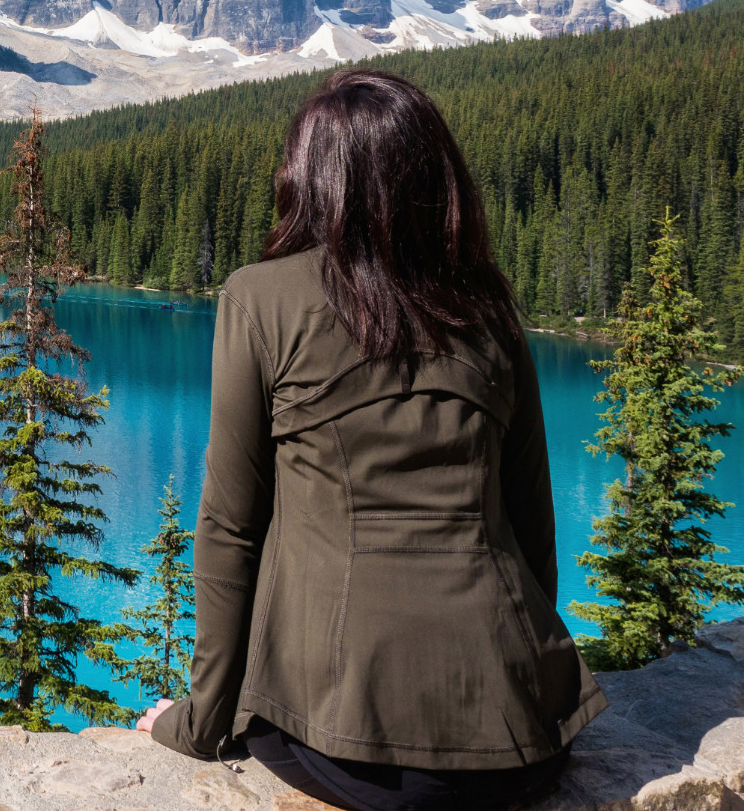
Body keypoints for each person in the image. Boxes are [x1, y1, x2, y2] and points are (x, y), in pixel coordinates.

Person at [138, 70, 606, 811]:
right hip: (521, 745)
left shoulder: (260, 300)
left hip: (340, 742)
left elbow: (231, 529)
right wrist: (517, 694)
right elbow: (532, 525)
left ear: (313, 181)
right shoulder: (488, 309)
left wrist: (199, 723)